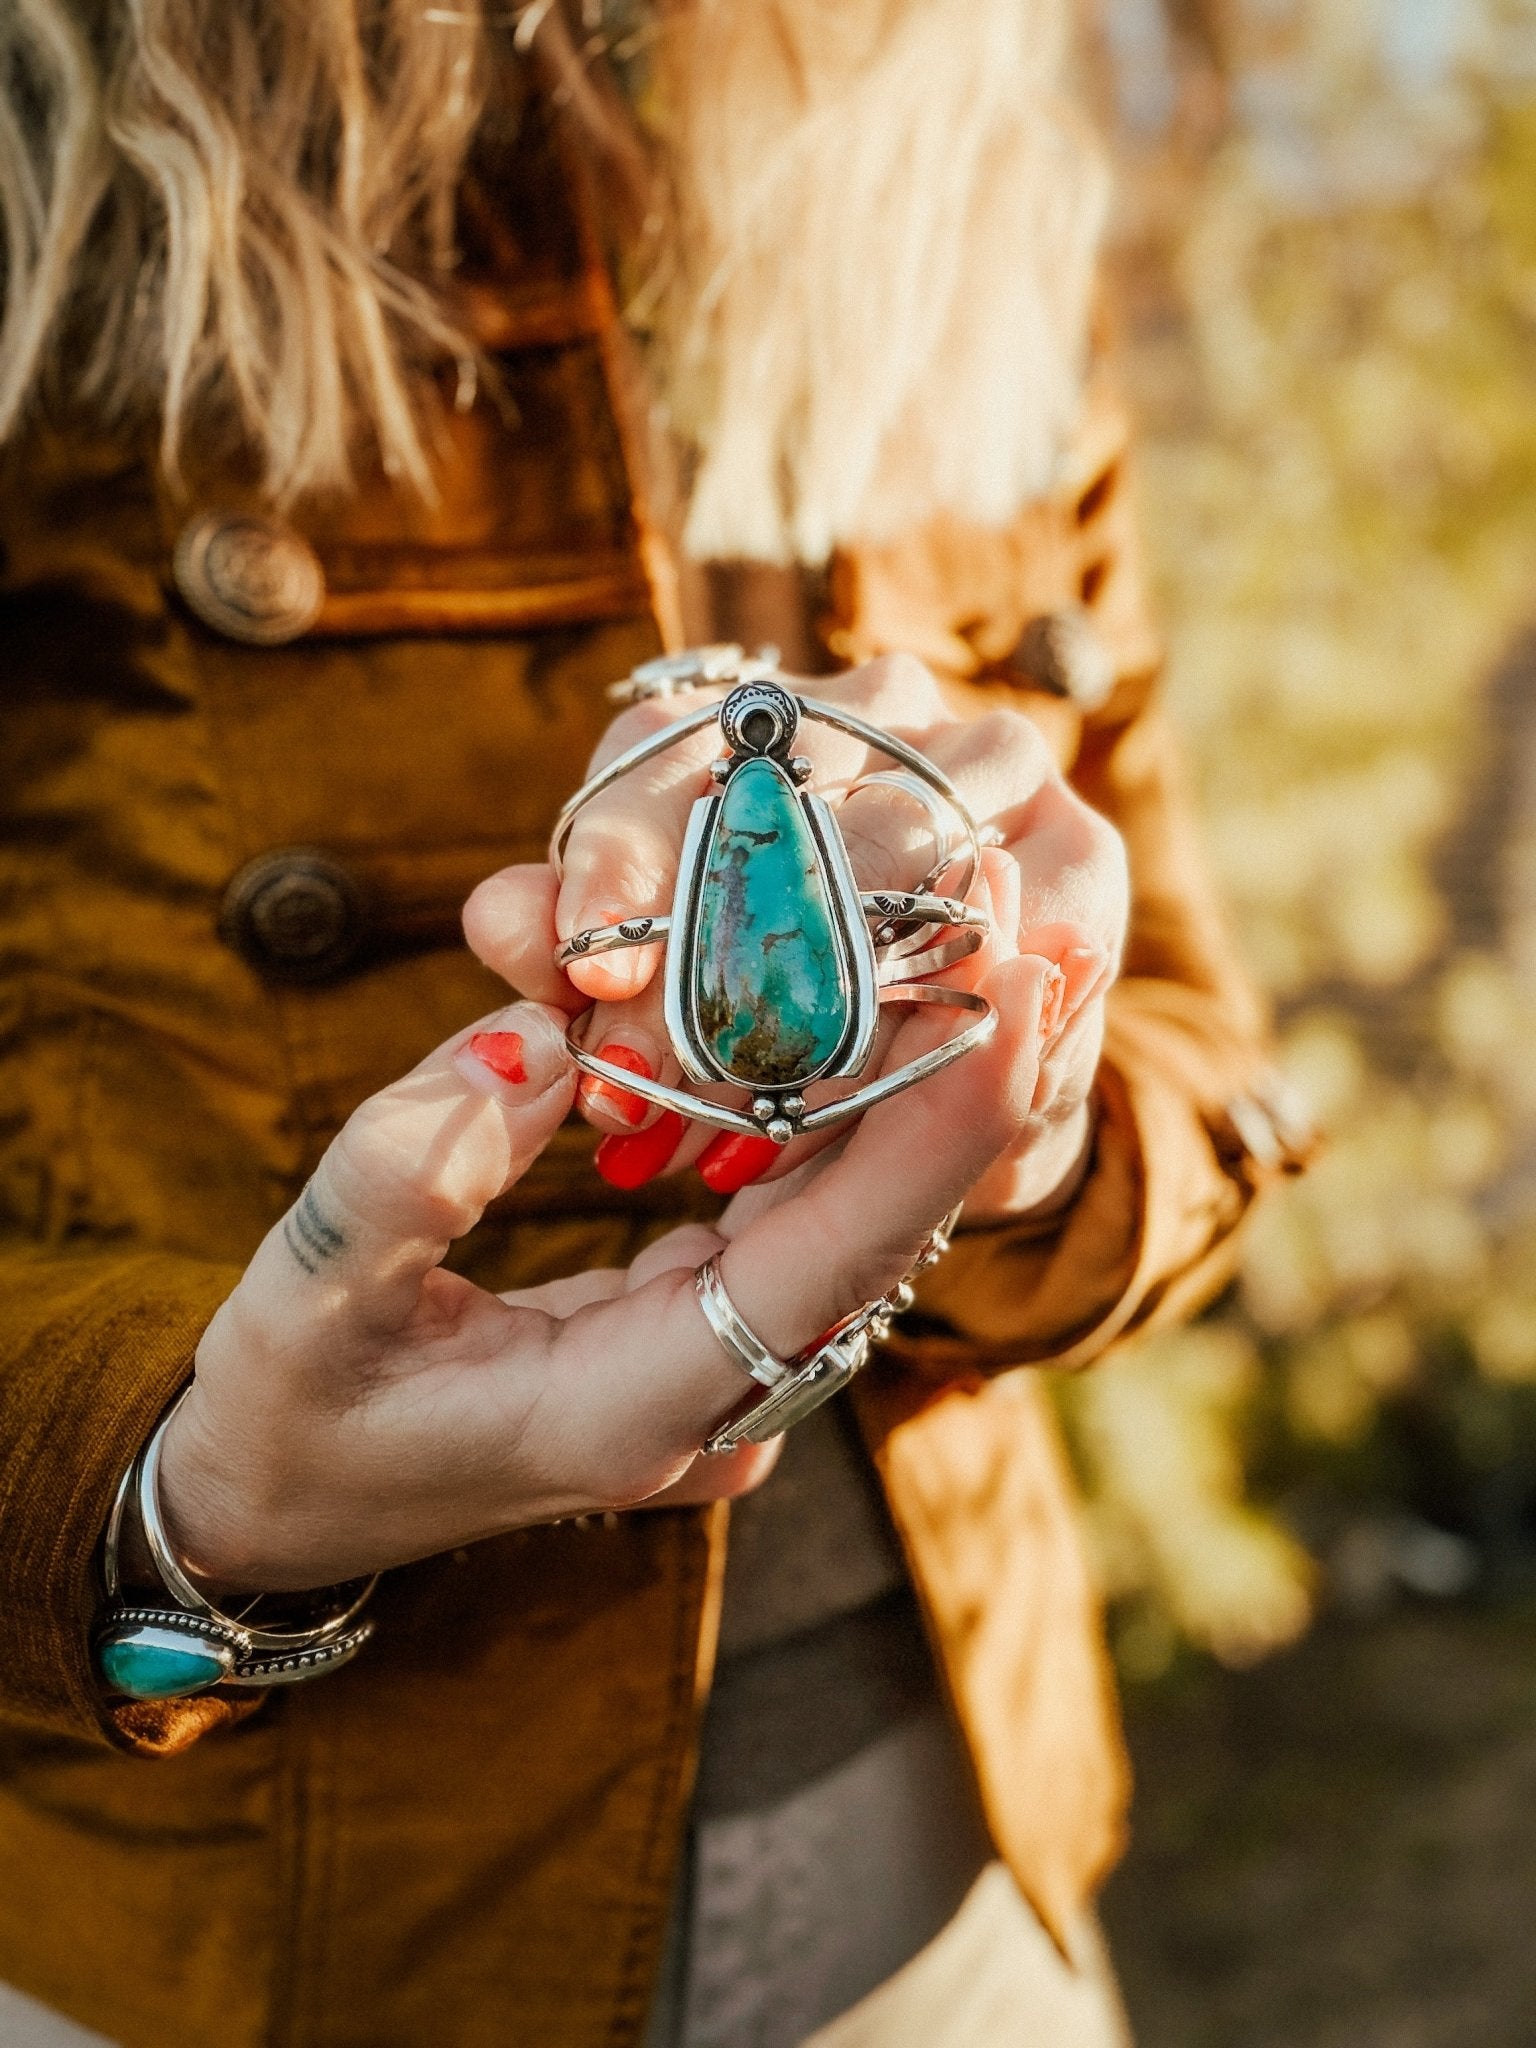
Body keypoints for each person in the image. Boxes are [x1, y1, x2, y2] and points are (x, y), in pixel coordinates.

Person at [0, 3, 1309, 2044]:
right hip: (223, 1944)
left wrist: (1024, 1114)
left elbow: (1215, 1058)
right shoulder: (45, 163)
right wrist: (183, 1497)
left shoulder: (967, 168)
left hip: (959, 1881)